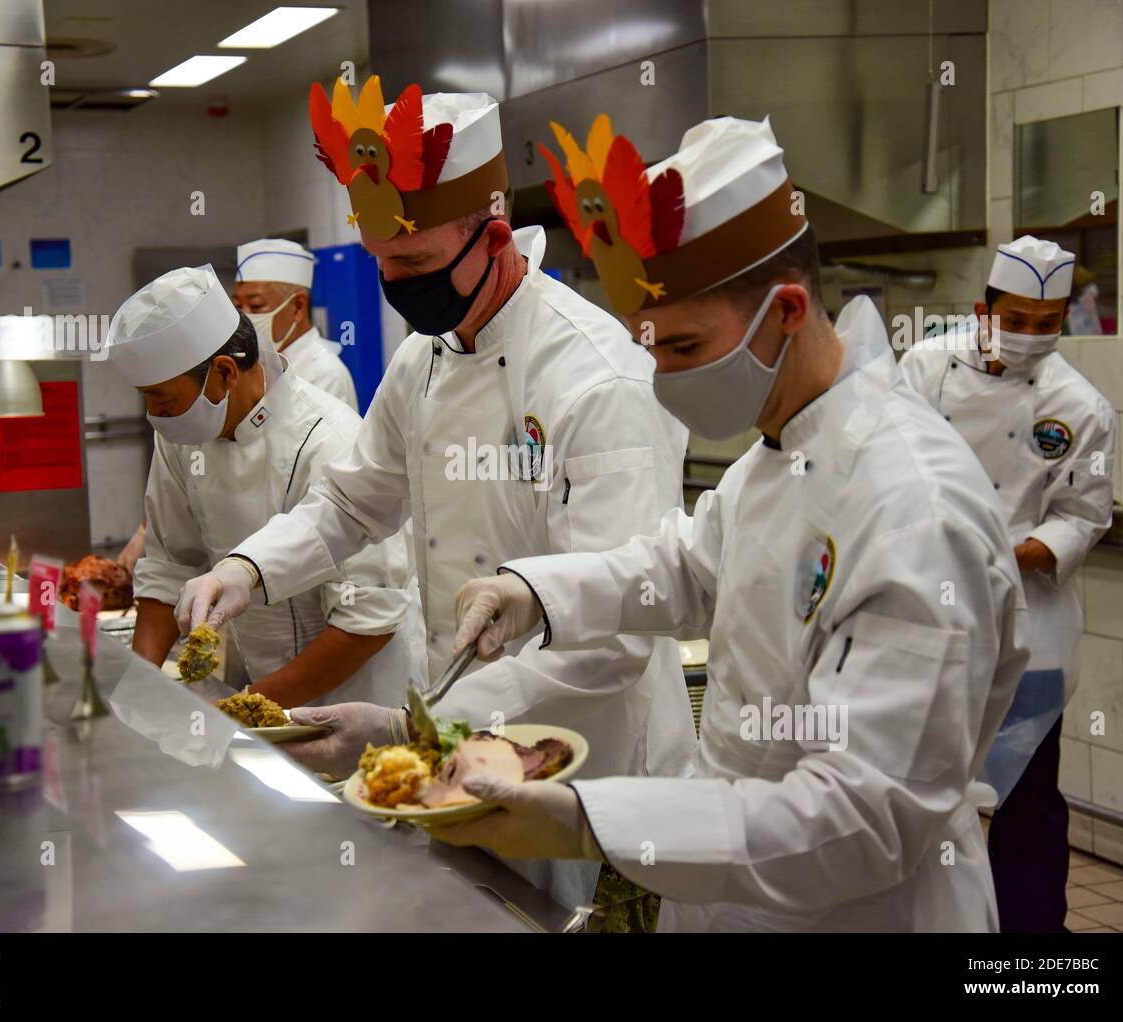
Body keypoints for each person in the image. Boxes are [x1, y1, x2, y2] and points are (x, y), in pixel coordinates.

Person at [436, 114, 1030, 932]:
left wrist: (592, 821)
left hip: (861, 911)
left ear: (786, 309)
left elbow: (864, 817)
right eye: (652, 347)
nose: (660, 378)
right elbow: (687, 565)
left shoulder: (913, 508)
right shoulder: (785, 445)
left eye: (683, 347)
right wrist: (531, 591)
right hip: (727, 892)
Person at [174, 77, 695, 908]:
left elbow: (615, 628)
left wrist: (425, 723)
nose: (392, 283)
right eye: (381, 261)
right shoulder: (424, 360)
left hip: (593, 769)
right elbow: (353, 503)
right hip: (469, 755)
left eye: (412, 263)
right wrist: (246, 570)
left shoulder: (595, 379)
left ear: (493, 237)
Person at [900, 236, 1115, 932]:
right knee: (918, 800)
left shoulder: (1081, 406)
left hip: (1032, 633)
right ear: (980, 310)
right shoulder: (923, 368)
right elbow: (883, 467)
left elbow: (1082, 518)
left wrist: (1000, 552)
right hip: (924, 621)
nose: (1028, 337)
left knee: (1026, 810)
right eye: (1014, 320)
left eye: (1046, 323)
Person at [105, 264, 421, 707]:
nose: (155, 414)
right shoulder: (183, 431)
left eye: (162, 398)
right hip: (259, 679)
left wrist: (246, 711)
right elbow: (168, 563)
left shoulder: (328, 440)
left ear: (224, 374)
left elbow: (368, 618)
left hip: (357, 695)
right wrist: (136, 689)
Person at [234, 238, 358, 410]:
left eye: (256, 306)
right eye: (238, 307)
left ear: (298, 306)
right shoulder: (256, 362)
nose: (245, 317)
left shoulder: (324, 374)